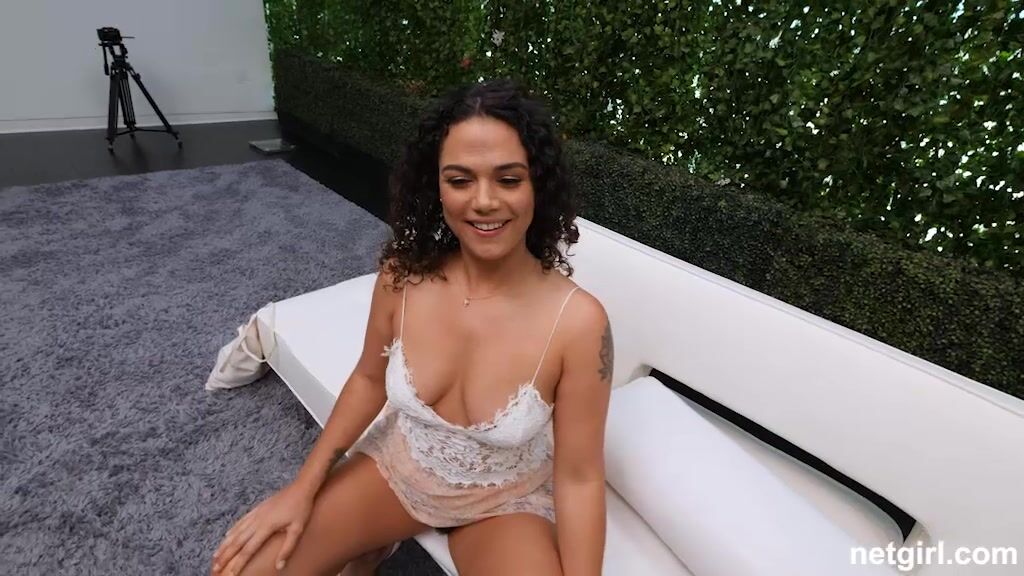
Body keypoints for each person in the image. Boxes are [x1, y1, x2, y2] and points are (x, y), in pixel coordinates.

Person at [210, 79, 612, 576]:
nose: (484, 201)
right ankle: (375, 540)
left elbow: (579, 477)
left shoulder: (579, 323)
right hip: (397, 470)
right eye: (460, 180)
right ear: (435, 186)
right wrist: (302, 488)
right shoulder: (402, 277)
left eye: (508, 179)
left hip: (504, 502)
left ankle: (370, 547)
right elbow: (367, 380)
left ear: (539, 186)